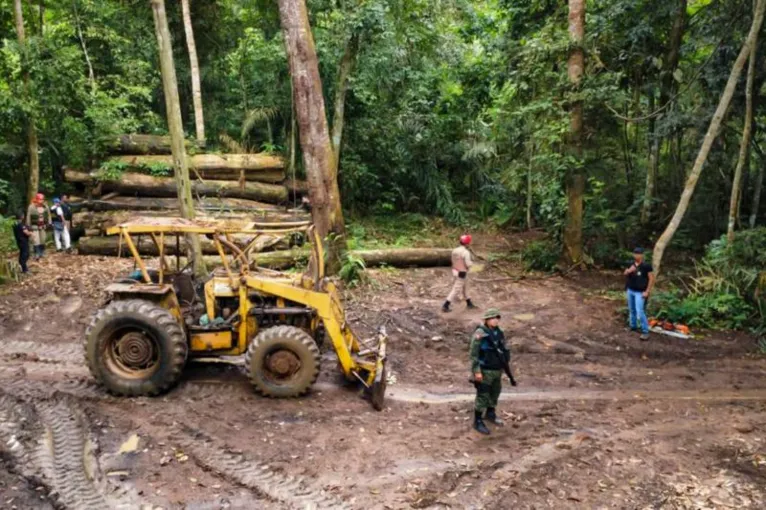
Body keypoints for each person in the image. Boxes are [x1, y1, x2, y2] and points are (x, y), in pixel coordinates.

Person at [469, 308, 516, 435]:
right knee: (483, 395)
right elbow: (474, 354)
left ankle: (490, 413)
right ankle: (477, 420)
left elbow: (503, 349)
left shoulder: (499, 332)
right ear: (486, 320)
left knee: (495, 392)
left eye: (497, 318)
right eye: (492, 318)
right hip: (485, 370)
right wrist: (476, 371)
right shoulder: (480, 333)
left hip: (497, 369)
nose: (495, 320)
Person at [624, 247, 655, 341]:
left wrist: (647, 291)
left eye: (638, 254)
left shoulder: (646, 266)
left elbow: (651, 279)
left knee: (640, 311)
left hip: (640, 292)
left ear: (642, 255)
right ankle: (633, 326)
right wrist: (629, 271)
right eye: (635, 253)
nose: (636, 255)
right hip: (630, 289)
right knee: (631, 309)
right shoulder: (631, 264)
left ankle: (645, 331)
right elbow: (625, 273)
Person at [442, 234, 477, 312]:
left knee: (466, 286)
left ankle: (469, 303)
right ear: (467, 243)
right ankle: (445, 305)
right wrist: (474, 266)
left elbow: (453, 261)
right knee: (456, 289)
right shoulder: (466, 252)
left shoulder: (454, 250)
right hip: (462, 272)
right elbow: (468, 264)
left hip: (456, 271)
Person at [26, 193, 50, 260]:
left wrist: (49, 223)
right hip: (34, 226)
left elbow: (48, 215)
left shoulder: (45, 206)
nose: (41, 201)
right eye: (40, 199)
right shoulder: (31, 207)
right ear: (36, 199)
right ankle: (36, 253)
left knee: (43, 239)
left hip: (43, 225)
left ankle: (42, 252)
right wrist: (28, 226)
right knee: (36, 240)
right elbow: (28, 216)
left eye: (42, 199)